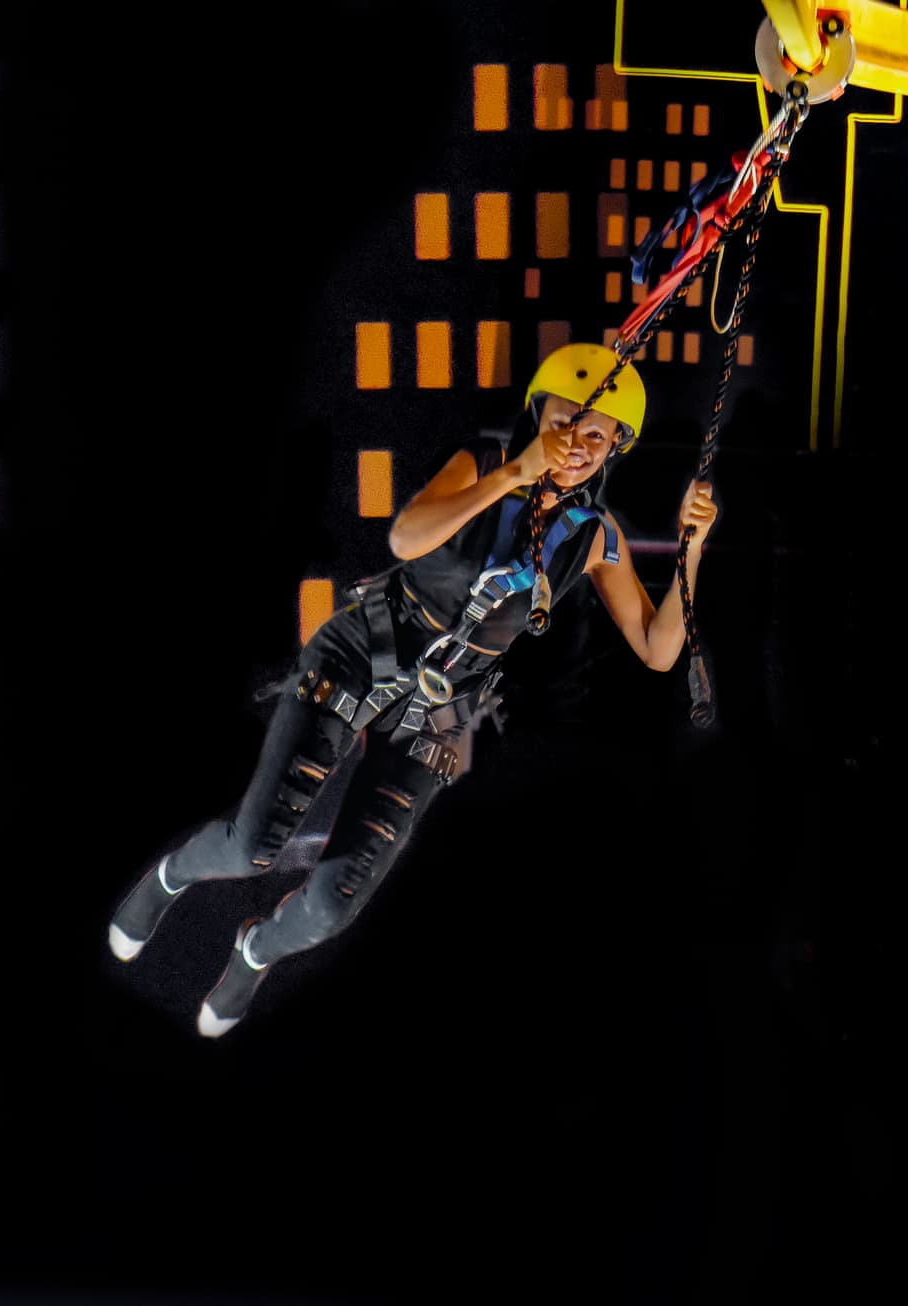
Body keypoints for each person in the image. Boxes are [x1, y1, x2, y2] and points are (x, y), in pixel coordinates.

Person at [106, 343, 717, 1036]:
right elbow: (406, 538)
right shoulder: (483, 462)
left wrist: (691, 545)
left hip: (441, 705)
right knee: (253, 846)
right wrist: (515, 473)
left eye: (597, 435)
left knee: (334, 905)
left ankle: (255, 951)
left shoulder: (594, 536)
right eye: (565, 421)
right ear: (537, 416)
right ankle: (168, 878)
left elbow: (659, 648)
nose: (577, 443)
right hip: (367, 649)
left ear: (614, 450)